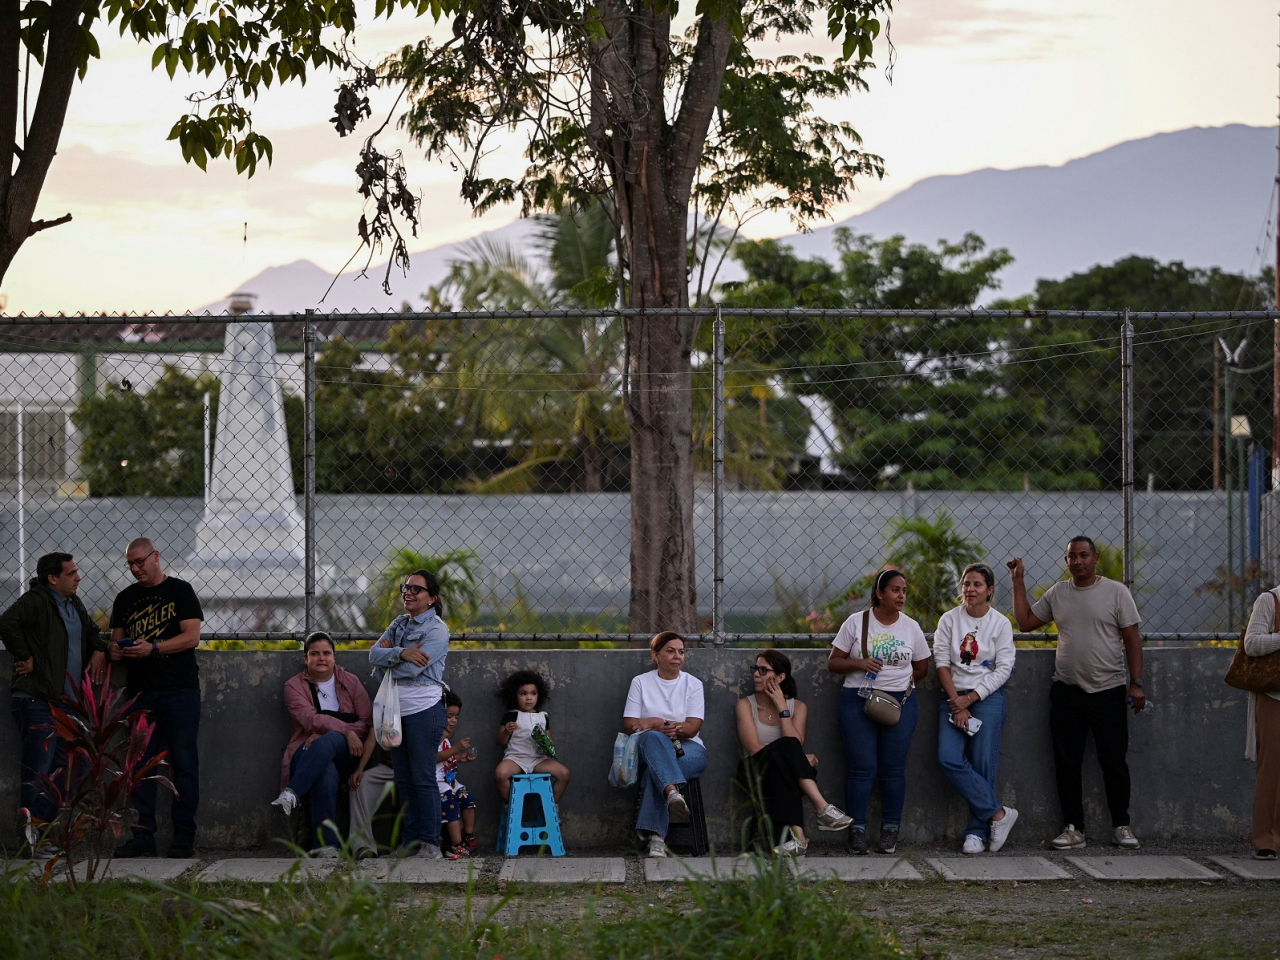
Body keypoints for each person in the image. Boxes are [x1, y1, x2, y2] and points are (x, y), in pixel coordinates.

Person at [1008, 536, 1145, 851]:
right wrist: (1018, 582)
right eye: (1072, 556)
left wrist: (1135, 682)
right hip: (1067, 692)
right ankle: (1074, 829)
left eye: (1084, 555)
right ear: (1066, 560)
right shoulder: (1059, 593)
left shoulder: (1116, 593)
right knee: (1066, 763)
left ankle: (1121, 826)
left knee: (1114, 762)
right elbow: (1026, 623)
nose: (1079, 561)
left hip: (1109, 691)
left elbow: (1133, 639)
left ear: (1095, 557)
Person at [0, 552, 107, 851]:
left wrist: (99, 649)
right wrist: (25, 656)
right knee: (39, 771)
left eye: (77, 571)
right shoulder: (37, 600)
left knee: (70, 767)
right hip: (36, 700)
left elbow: (92, 632)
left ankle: (43, 835)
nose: (78, 577)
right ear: (52, 578)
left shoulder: (74, 603)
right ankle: (29, 841)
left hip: (65, 704)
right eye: (71, 573)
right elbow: (7, 623)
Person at [109, 537, 204, 859]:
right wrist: (115, 650)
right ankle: (143, 836)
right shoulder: (125, 598)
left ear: (156, 556)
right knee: (139, 767)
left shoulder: (180, 591)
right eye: (130, 565)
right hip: (141, 694)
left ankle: (183, 837)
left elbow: (192, 637)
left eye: (140, 562)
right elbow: (116, 643)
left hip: (180, 691)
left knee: (184, 764)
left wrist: (153, 648)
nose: (136, 569)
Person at [827, 568, 930, 855]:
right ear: (879, 593)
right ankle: (857, 830)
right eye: (895, 590)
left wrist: (898, 684)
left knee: (893, 769)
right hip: (858, 700)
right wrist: (859, 664)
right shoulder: (857, 622)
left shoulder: (910, 627)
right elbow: (833, 662)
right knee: (862, 768)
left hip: (900, 703)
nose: (901, 595)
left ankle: (890, 830)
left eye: (904, 591)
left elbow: (922, 667)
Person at [734, 649, 853, 857]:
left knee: (787, 762)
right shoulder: (745, 705)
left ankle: (800, 840)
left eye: (764, 670)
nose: (756, 674)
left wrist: (782, 707)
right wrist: (796, 758)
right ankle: (822, 808)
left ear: (780, 677)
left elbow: (796, 743)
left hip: (784, 774)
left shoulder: (798, 707)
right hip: (753, 770)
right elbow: (753, 747)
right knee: (789, 754)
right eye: (756, 669)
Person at [934, 563, 1018, 854]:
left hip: (987, 697)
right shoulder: (949, 619)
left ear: (990, 590)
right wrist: (957, 702)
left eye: (977, 584)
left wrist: (971, 699)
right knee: (948, 758)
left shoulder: (1000, 623)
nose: (970, 589)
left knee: (983, 763)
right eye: (966, 584)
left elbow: (1004, 668)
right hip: (952, 695)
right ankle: (998, 814)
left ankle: (977, 833)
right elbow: (942, 662)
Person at [369, 569, 450, 859]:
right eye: (406, 587)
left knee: (423, 777)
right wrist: (402, 653)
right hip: (396, 712)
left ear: (432, 598)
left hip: (423, 711)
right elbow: (372, 656)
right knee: (403, 778)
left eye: (417, 589)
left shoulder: (436, 630)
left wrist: (389, 659)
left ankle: (430, 843)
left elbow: (413, 669)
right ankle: (409, 842)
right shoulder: (399, 623)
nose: (409, 592)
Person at [271, 631, 373, 856]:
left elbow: (366, 722)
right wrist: (345, 729)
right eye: (314, 653)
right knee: (325, 770)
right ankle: (327, 847)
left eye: (327, 653)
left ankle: (292, 792)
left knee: (333, 738)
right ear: (305, 658)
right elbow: (310, 719)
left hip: (348, 754)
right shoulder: (293, 686)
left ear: (334, 657)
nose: (321, 658)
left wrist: (338, 734)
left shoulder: (350, 682)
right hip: (305, 751)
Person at [622, 631, 708, 858]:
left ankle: (656, 839)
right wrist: (653, 724)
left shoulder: (693, 684)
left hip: (689, 749)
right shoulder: (641, 682)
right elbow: (629, 725)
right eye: (670, 651)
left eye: (681, 652)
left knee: (656, 773)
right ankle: (671, 793)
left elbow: (692, 728)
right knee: (652, 738)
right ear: (655, 654)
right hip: (649, 748)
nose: (677, 656)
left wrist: (672, 727)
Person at [1239, 586, 1280, 859]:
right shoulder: (1270, 599)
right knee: (1272, 768)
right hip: (1274, 694)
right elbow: (1251, 644)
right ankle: (1265, 840)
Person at [495, 669, 571, 803]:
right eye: (523, 694)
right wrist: (506, 731)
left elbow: (550, 742)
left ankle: (552, 805)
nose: (529, 698)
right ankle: (512, 805)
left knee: (564, 774)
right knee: (500, 774)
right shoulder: (511, 715)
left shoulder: (542, 717)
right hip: (516, 758)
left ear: (539, 695)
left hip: (538, 759)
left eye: (533, 693)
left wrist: (545, 743)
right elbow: (500, 741)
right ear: (515, 696)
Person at [437, 690, 478, 859]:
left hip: (450, 781)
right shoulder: (435, 736)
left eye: (456, 717)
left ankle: (467, 834)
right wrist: (456, 749)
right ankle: (456, 844)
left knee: (468, 797)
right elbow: (434, 757)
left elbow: (447, 757)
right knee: (451, 802)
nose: (453, 720)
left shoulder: (446, 737)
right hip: (438, 782)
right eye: (449, 716)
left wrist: (460, 758)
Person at [348, 726, 397, 859]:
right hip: (388, 767)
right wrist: (360, 769)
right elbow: (371, 738)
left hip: (413, 768)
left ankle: (418, 845)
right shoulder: (382, 706)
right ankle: (363, 846)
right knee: (359, 784)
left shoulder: (419, 706)